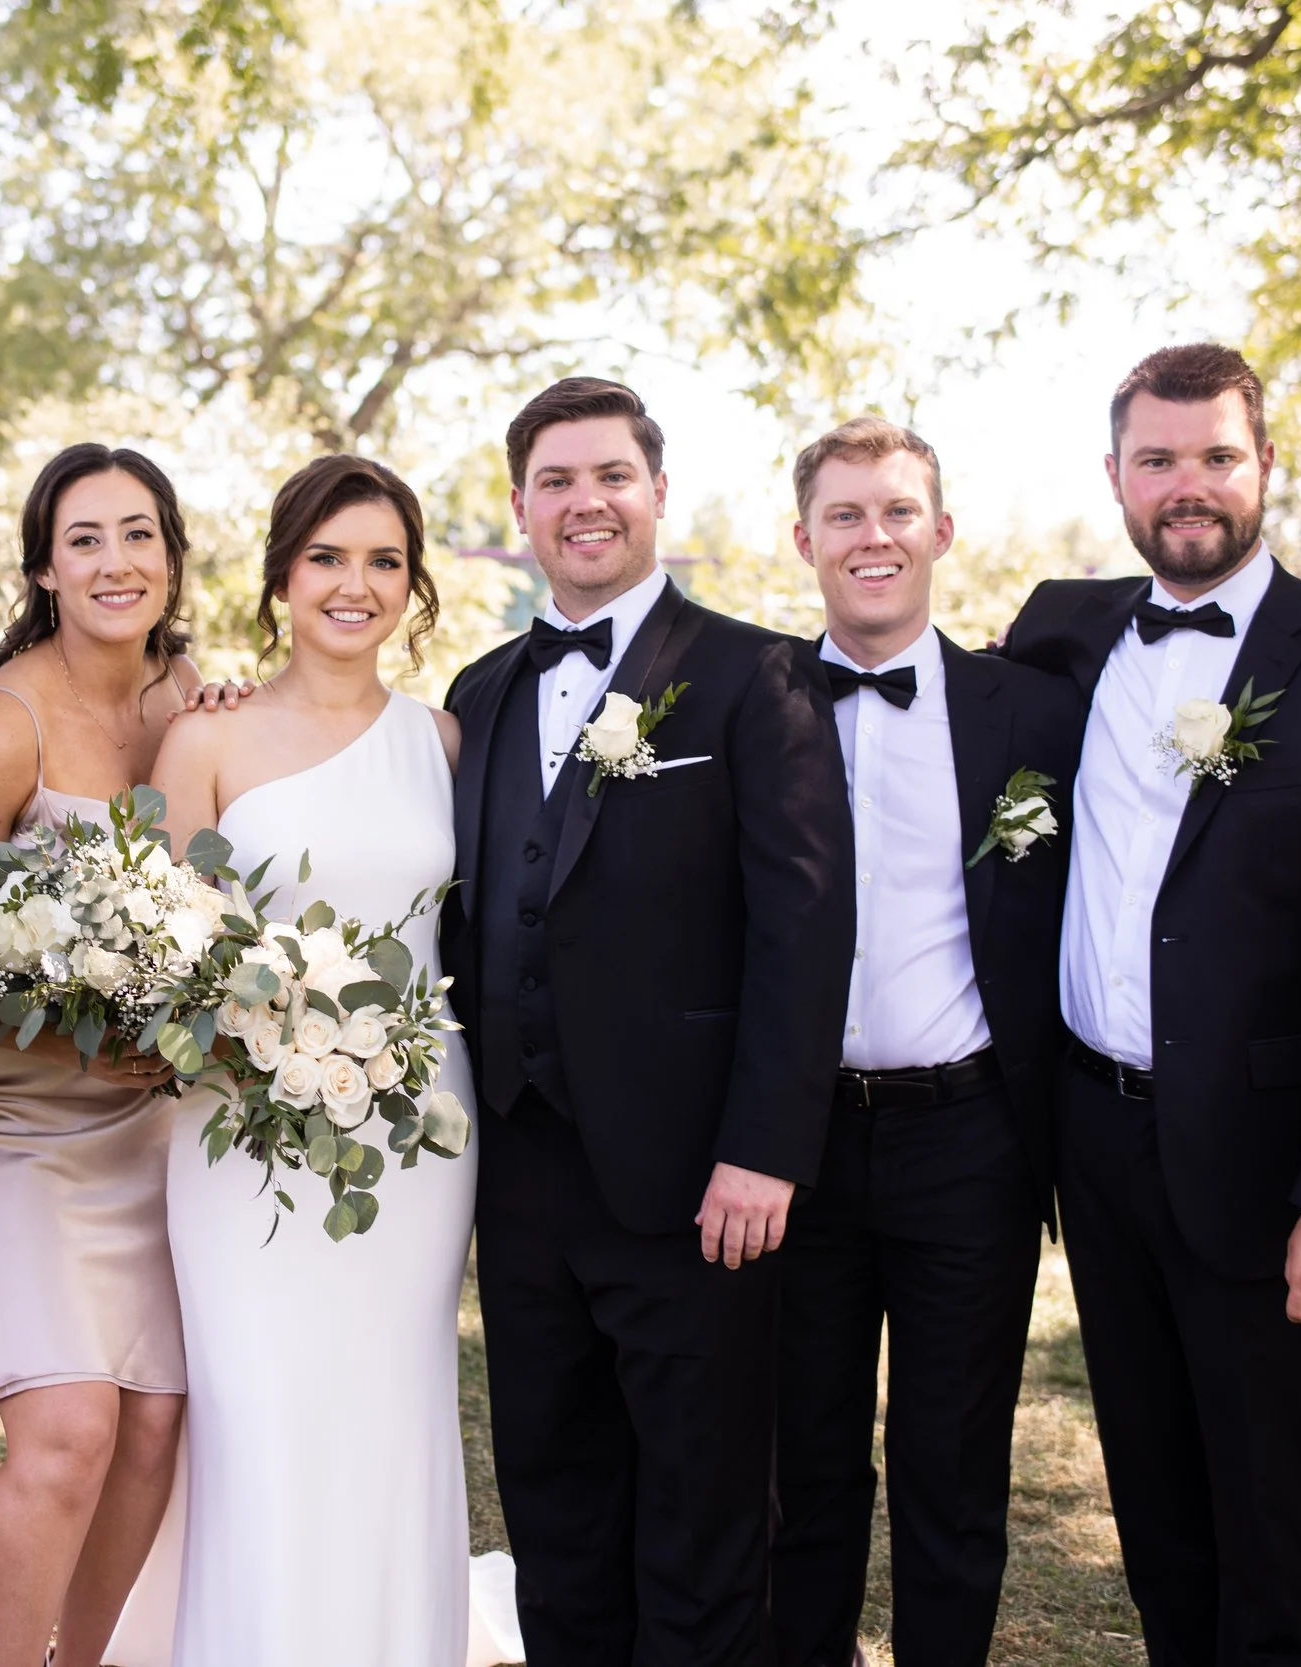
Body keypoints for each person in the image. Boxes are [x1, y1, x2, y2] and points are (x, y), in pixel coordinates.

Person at [998, 343, 1301, 1667]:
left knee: (1273, 1515)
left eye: (1214, 456)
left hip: (1272, 1165)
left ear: (1266, 467)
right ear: (1115, 476)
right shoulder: (1062, 630)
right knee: (1154, 1502)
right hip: (1097, 1144)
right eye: (1157, 459)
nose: (1185, 484)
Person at [442, 376, 854, 1665]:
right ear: (520, 508)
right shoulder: (480, 689)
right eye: (555, 481)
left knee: (701, 1515)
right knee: (555, 1501)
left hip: (695, 1182)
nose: (586, 503)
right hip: (521, 1176)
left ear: (658, 493)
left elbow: (804, 930)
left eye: (611, 475)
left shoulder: (754, 674)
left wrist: (764, 1149)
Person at [150, 452, 497, 1665]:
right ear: (281, 577)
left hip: (415, 1131)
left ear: (413, 584)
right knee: (258, 1411)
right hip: (237, 1128)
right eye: (327, 558)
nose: (355, 585)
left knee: (391, 1404)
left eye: (383, 561)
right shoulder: (205, 736)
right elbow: (164, 955)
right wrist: (257, 1030)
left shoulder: (444, 741)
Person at [770, 418, 1084, 1667]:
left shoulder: (1033, 708)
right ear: (803, 539)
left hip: (969, 1137)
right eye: (844, 514)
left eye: (898, 510)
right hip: (793, 1140)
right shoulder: (753, 702)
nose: (874, 536)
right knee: (802, 1463)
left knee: (954, 1466)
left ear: (941, 530)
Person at [0, 445, 197, 1667]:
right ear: (43, 570)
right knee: (70, 1428)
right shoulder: (3, 720)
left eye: (138, 533)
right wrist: (66, 1018)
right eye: (84, 539)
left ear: (171, 556)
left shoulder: (191, 700)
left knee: (155, 1424)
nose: (115, 561)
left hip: (135, 1126)